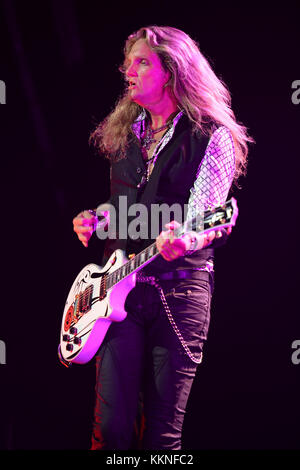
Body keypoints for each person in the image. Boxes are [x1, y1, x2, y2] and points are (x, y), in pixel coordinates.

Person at [72, 26, 252, 450]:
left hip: (180, 294)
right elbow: (126, 208)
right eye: (128, 62)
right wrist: (95, 220)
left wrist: (184, 240)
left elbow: (204, 218)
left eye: (141, 62)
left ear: (172, 72)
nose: (127, 71)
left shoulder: (212, 136)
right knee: (111, 431)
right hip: (117, 294)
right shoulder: (126, 135)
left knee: (161, 439)